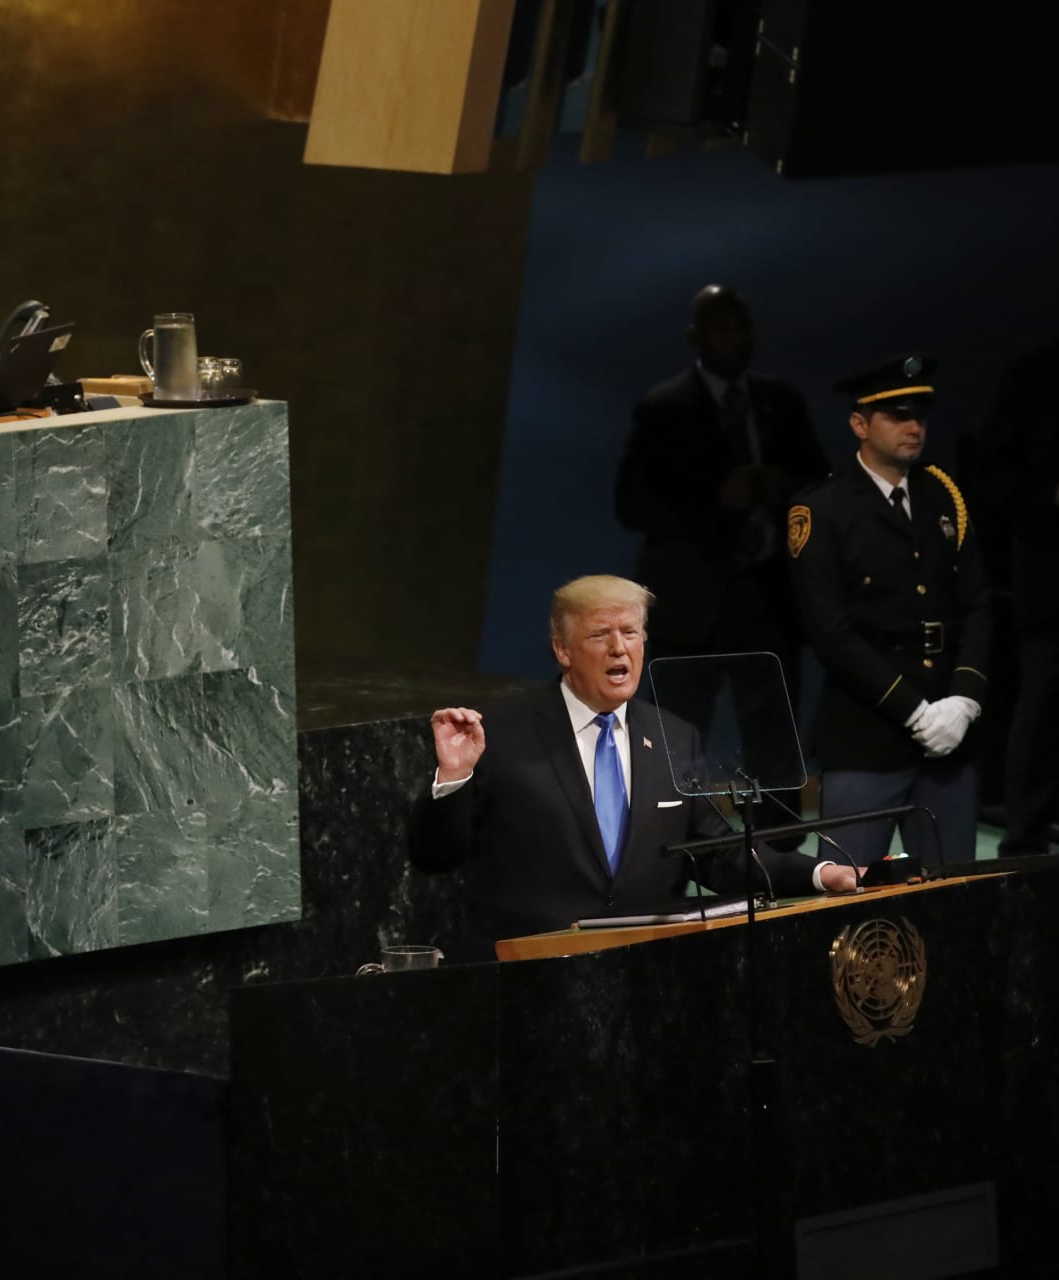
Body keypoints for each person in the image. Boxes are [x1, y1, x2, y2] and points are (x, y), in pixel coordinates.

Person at [411, 575, 858, 960]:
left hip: (646, 966)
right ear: (562, 651)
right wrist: (454, 777)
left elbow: (716, 854)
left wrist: (818, 873)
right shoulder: (504, 732)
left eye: (630, 632)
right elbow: (435, 856)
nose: (618, 648)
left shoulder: (674, 736)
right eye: (600, 635)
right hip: (531, 970)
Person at [787, 354, 991, 871]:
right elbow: (830, 632)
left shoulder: (941, 495)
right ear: (859, 424)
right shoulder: (823, 508)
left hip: (949, 737)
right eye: (897, 415)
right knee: (847, 907)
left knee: (951, 898)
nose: (913, 426)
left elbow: (978, 605)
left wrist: (964, 701)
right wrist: (915, 711)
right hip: (866, 735)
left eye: (920, 414)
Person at [615, 286, 830, 712]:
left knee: (774, 752)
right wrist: (715, 500)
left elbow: (821, 486)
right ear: (696, 337)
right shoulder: (663, 409)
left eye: (743, 328)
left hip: (771, 606)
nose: (736, 339)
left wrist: (781, 487)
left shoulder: (781, 404)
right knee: (674, 743)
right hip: (690, 608)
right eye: (722, 328)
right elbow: (631, 504)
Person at [981, 338, 1059, 856]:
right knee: (1045, 704)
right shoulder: (1033, 373)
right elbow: (995, 475)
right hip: (1051, 584)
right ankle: (1025, 844)